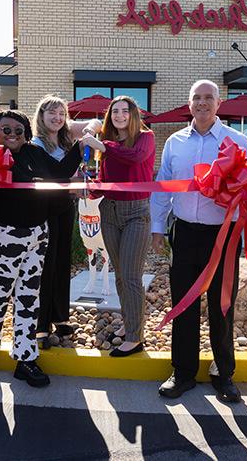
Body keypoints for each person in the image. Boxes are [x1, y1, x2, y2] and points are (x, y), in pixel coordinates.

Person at [150, 80, 247, 402]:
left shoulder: (237, 142)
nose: (202, 103)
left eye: (209, 97)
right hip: (184, 233)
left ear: (219, 103)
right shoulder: (175, 142)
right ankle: (183, 373)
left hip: (222, 236)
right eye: (197, 97)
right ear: (189, 102)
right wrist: (157, 227)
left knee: (222, 306)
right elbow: (163, 186)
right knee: (184, 304)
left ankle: (223, 374)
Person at [0, 110, 83, 387]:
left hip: (35, 236)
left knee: (29, 297)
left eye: (19, 131)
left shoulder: (33, 153)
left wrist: (80, 146)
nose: (12, 136)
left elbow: (59, 172)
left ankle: (25, 357)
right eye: (5, 130)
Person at [82, 96, 155, 357]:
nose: (120, 115)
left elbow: (134, 159)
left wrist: (101, 143)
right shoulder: (107, 146)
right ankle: (130, 324)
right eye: (115, 112)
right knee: (121, 276)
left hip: (136, 213)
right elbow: (105, 179)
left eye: (125, 111)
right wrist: (88, 188)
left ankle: (135, 337)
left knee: (132, 276)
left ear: (134, 115)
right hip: (109, 211)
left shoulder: (145, 138)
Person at [31, 95, 101, 347]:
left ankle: (60, 318)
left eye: (61, 113)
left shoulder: (64, 138)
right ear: (41, 116)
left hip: (64, 207)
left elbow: (97, 122)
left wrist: (90, 131)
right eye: (51, 113)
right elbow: (59, 173)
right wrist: (80, 147)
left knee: (62, 263)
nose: (57, 118)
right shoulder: (35, 144)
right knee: (45, 266)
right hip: (43, 211)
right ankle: (40, 324)